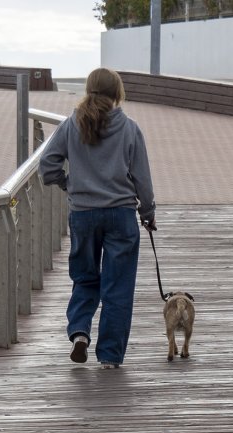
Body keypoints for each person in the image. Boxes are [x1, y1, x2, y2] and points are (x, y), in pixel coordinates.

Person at [41, 68, 156, 368]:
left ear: (88, 90)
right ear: (117, 93)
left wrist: (69, 184)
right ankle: (109, 356)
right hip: (121, 214)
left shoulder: (71, 125)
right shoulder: (130, 128)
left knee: (85, 277)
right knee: (118, 287)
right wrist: (147, 211)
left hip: (83, 214)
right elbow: (142, 178)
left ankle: (79, 332)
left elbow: (47, 165)